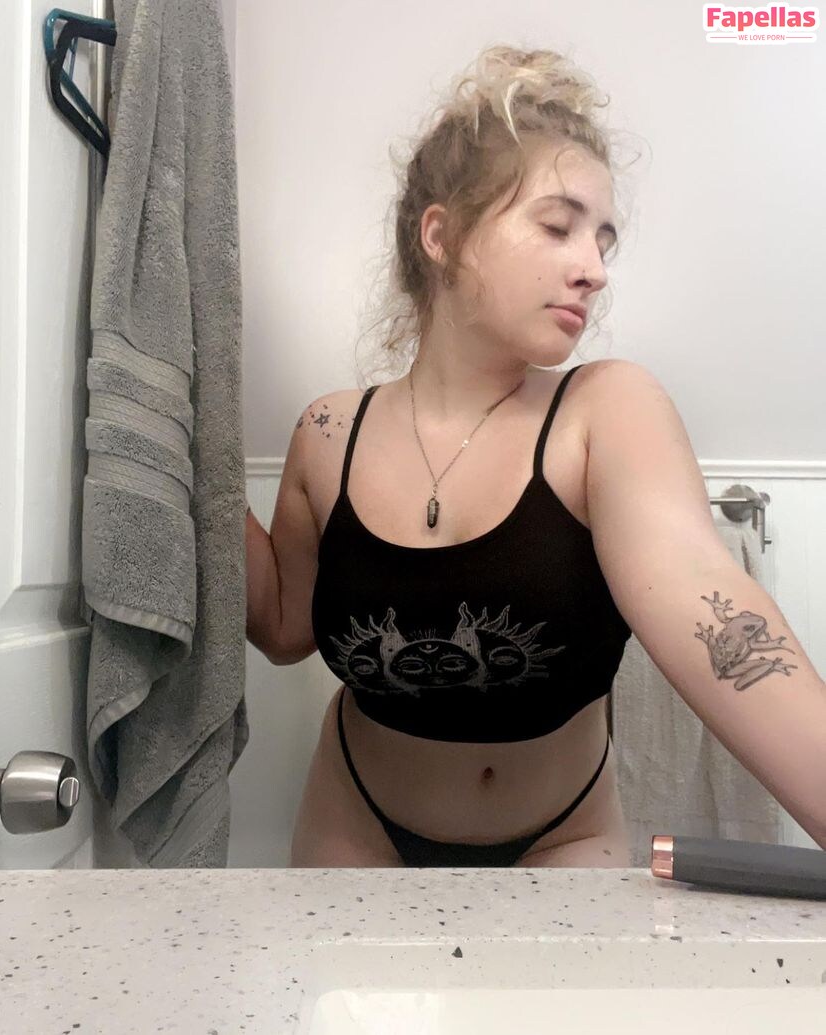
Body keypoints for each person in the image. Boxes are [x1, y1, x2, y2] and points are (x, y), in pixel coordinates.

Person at [248, 44, 637, 867]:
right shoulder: (328, 433)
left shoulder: (599, 417)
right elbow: (283, 630)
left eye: (604, 240)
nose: (595, 269)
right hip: (357, 819)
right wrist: (201, 457)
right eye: (559, 226)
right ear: (443, 235)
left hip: (564, 831)